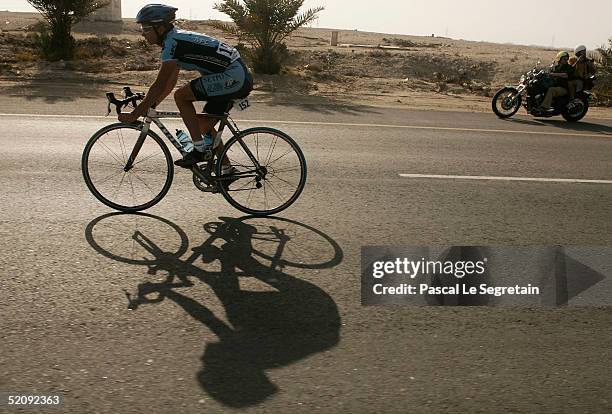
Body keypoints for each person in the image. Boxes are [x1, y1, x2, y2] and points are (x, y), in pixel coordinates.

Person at [118, 4, 253, 169]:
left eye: (146, 29)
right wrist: (151, 106)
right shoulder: (175, 41)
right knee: (202, 126)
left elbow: (159, 86)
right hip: (236, 76)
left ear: (159, 28)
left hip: (233, 76)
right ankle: (226, 169)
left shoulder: (172, 44)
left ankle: (198, 150)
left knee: (181, 96)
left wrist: (135, 114)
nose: (142, 33)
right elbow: (169, 84)